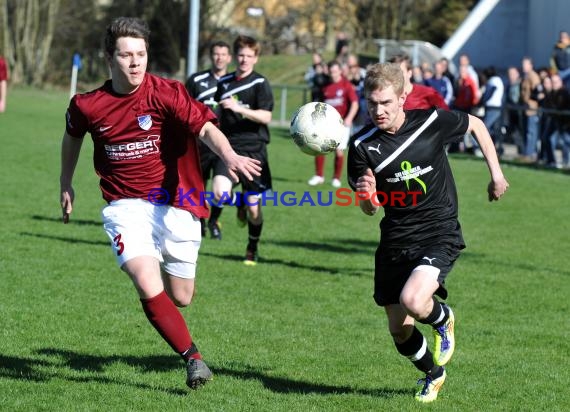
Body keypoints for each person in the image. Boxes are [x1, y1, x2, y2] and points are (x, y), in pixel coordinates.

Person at [59, 17, 261, 389]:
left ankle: (166, 312)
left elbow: (205, 128)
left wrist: (229, 156)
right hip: (124, 206)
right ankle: (194, 359)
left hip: (176, 204)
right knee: (143, 276)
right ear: (109, 58)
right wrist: (66, 182)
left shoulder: (165, 93)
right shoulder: (89, 105)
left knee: (181, 297)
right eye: (126, 55)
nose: (135, 63)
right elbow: (72, 136)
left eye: (141, 54)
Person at [347, 63, 509, 403]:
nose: (379, 111)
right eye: (372, 103)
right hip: (395, 238)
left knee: (414, 301)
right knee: (399, 329)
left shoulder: (431, 122)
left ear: (403, 97)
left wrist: (496, 174)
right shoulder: (362, 145)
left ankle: (443, 318)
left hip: (439, 230)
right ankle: (433, 374)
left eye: (386, 103)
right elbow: (370, 208)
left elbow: (476, 124)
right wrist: (366, 195)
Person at [213, 35, 274, 265]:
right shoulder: (225, 82)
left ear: (256, 58)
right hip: (230, 147)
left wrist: (239, 108)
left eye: (249, 56)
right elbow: (218, 112)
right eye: (241, 55)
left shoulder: (260, 83)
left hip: (255, 150)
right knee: (219, 193)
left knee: (254, 210)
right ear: (235, 56)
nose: (244, 60)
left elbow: (266, 116)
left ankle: (252, 247)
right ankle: (238, 200)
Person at [185, 40, 232, 239]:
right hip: (199, 144)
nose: (220, 57)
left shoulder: (235, 82)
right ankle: (202, 222)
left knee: (221, 191)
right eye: (216, 54)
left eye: (223, 54)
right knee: (198, 189)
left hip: (224, 144)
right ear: (211, 56)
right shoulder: (197, 80)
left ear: (229, 58)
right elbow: (184, 108)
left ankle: (214, 221)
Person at [307, 60, 359, 188]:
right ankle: (319, 176)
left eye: (335, 71)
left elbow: (354, 103)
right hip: (325, 123)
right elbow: (318, 104)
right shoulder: (325, 86)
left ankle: (336, 178)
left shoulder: (346, 85)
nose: (333, 74)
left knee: (339, 151)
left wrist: (349, 118)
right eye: (331, 72)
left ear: (340, 71)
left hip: (341, 123)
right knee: (320, 148)